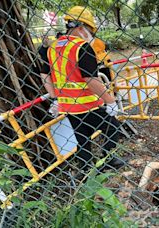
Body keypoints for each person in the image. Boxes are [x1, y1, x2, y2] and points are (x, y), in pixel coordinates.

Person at [39, 6, 124, 173]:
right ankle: (108, 160)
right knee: (112, 127)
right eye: (89, 29)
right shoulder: (82, 47)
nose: (91, 34)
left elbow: (44, 74)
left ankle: (85, 171)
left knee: (82, 138)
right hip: (87, 104)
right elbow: (90, 79)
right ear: (80, 27)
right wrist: (111, 101)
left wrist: (55, 97)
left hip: (67, 106)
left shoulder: (53, 47)